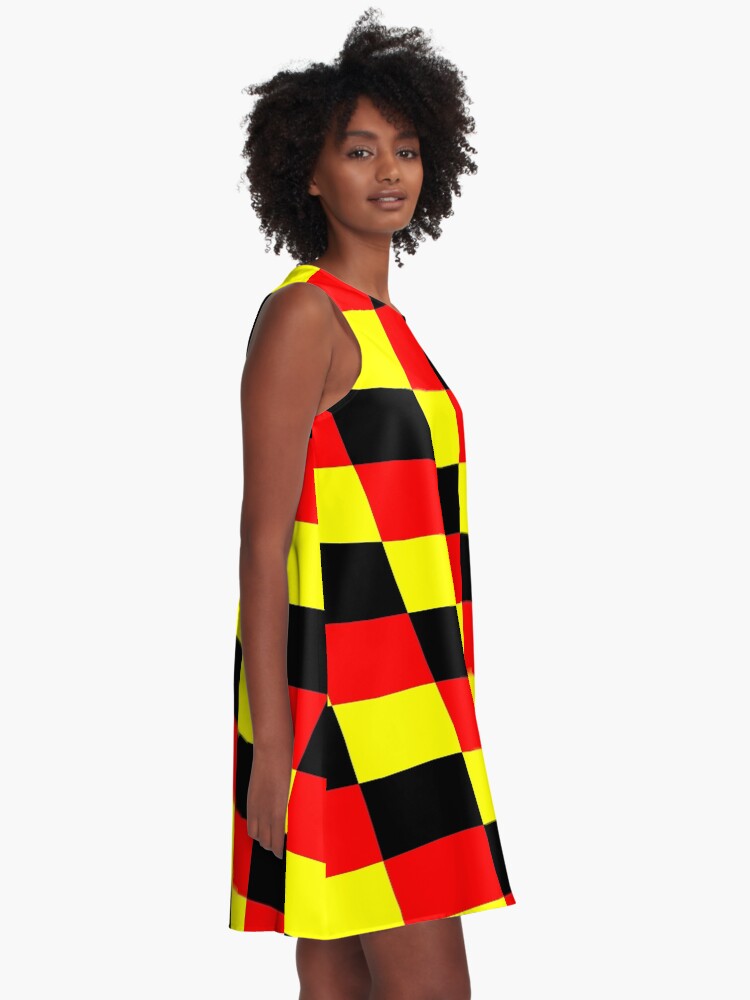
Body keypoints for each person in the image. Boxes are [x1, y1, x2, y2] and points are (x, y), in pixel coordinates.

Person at [229, 8, 516, 998]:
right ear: (309, 173)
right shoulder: (303, 315)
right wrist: (273, 747)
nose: (389, 171)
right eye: (359, 150)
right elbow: (262, 543)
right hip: (345, 710)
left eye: (406, 149)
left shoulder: (389, 327)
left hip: (417, 698)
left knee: (342, 974)